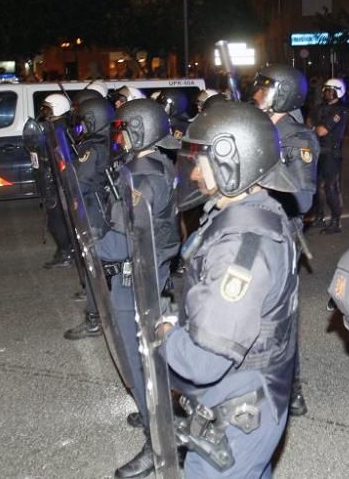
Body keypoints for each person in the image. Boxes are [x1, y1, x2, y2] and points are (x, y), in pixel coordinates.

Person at [153, 101, 299, 478]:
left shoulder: (243, 244)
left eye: (200, 159)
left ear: (232, 163)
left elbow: (205, 360)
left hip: (239, 411)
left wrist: (166, 336)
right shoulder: (252, 209)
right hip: (247, 397)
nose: (194, 170)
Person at [96, 98, 182, 479]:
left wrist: (90, 242)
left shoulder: (143, 180)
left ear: (140, 130)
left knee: (141, 361)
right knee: (148, 360)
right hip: (150, 272)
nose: (120, 137)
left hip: (137, 281)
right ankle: (156, 416)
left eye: (125, 129)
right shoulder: (156, 165)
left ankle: (158, 442)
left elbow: (115, 243)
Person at [251, 63, 320, 417]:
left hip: (281, 235)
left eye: (266, 89)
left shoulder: (298, 139)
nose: (257, 94)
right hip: (253, 228)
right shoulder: (258, 129)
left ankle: (291, 389)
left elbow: (304, 198)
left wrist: (265, 176)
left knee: (280, 317)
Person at [62, 96, 115, 341]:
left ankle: (95, 319)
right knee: (101, 264)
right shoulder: (109, 141)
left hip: (94, 209)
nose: (81, 126)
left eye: (85, 121)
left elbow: (79, 180)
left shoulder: (93, 148)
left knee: (95, 266)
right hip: (104, 208)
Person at [38, 93, 77, 270]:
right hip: (54, 179)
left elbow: (62, 158)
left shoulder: (59, 129)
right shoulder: (54, 127)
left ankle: (66, 252)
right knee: (57, 218)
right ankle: (66, 251)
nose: (44, 111)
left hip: (58, 182)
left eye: (48, 108)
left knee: (57, 220)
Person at [311, 77, 347, 233]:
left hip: (332, 153)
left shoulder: (339, 110)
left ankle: (335, 221)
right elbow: (308, 122)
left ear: (338, 93)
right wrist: (314, 126)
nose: (327, 94)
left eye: (331, 91)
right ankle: (319, 217)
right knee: (316, 187)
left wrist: (314, 126)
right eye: (326, 91)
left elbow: (321, 130)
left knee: (330, 187)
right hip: (318, 150)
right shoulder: (320, 107)